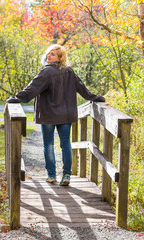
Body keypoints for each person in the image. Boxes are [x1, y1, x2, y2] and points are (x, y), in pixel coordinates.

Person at [6, 44, 105, 186]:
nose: (48, 56)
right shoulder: (69, 71)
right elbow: (82, 89)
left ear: (60, 58)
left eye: (52, 54)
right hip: (65, 114)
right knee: (65, 144)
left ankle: (52, 175)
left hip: (48, 114)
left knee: (49, 144)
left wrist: (16, 98)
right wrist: (94, 97)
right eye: (48, 53)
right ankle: (66, 175)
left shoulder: (46, 72)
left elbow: (32, 89)